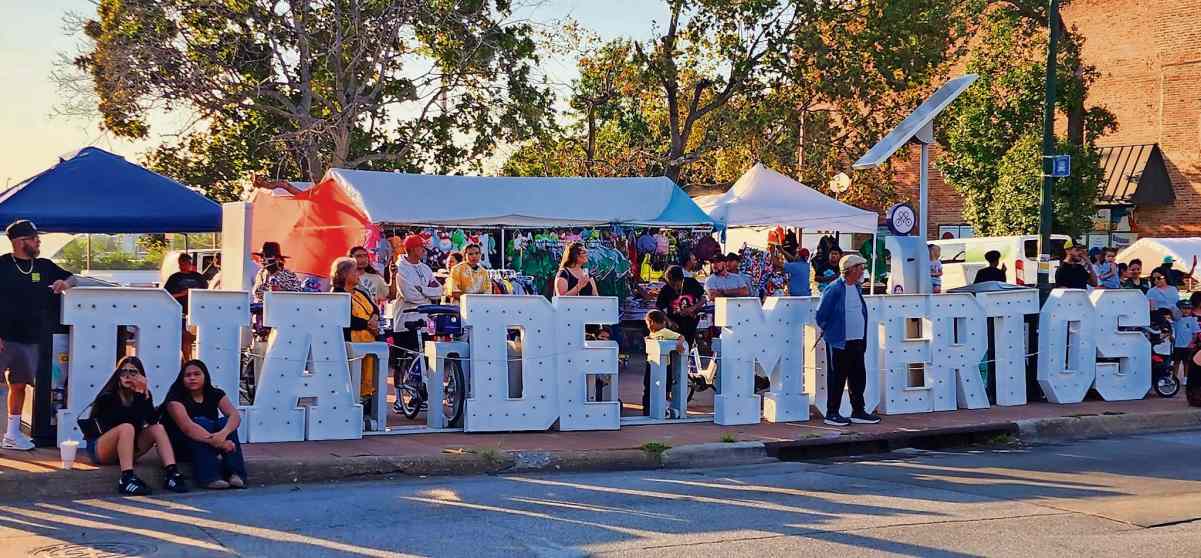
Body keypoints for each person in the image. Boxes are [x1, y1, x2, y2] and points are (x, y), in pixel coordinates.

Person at [1, 220, 76, 451]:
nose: (38, 242)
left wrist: (65, 282)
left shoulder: (44, 265)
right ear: (21, 241)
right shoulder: (3, 264)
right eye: (34, 239)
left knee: (20, 385)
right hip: (3, 338)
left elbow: (73, 277)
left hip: (30, 339)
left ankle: (12, 435)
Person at [85, 356, 188, 495]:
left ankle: (172, 474)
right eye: (123, 372)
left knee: (158, 429)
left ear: (141, 375)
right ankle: (126, 479)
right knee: (127, 427)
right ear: (118, 375)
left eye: (133, 372)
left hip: (128, 448)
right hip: (101, 448)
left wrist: (143, 396)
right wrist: (140, 397)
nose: (127, 376)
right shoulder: (108, 396)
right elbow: (121, 422)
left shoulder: (142, 394)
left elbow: (152, 420)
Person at [815, 254, 881, 427]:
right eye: (860, 267)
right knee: (837, 377)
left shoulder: (857, 288)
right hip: (839, 341)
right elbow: (821, 314)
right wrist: (831, 330)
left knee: (858, 376)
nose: (862, 271)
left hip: (857, 340)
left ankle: (858, 410)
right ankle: (832, 413)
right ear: (850, 269)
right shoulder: (834, 288)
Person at [162, 360, 247, 489]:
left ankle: (235, 474)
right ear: (182, 378)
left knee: (225, 422)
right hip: (181, 445)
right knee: (201, 422)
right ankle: (209, 478)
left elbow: (234, 415)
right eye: (188, 375)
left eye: (197, 374)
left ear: (205, 376)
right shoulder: (175, 398)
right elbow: (188, 428)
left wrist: (223, 434)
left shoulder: (215, 393)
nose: (192, 378)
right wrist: (221, 443)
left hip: (210, 442)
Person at [391, 235, 443, 398]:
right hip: (405, 320)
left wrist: (423, 290)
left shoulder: (426, 268)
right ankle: (399, 398)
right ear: (413, 249)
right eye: (421, 248)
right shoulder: (400, 267)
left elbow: (439, 290)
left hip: (424, 319)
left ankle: (419, 395)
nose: (424, 251)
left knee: (424, 359)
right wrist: (427, 296)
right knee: (401, 361)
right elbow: (408, 294)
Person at [331, 257, 381, 400]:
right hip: (351, 346)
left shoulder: (359, 292)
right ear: (344, 275)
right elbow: (346, 319)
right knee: (353, 382)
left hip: (369, 344)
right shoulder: (338, 294)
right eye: (355, 272)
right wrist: (368, 325)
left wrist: (374, 319)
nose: (358, 274)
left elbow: (375, 309)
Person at [164, 253, 209, 361]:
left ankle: (194, 360)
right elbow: (167, 295)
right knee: (184, 338)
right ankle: (186, 360)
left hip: (197, 311)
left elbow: (207, 292)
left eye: (187, 262)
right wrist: (182, 294)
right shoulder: (174, 278)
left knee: (197, 337)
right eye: (182, 262)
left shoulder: (199, 277)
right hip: (180, 313)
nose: (184, 265)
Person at [641, 310, 685, 416]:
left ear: (652, 322)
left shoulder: (665, 332)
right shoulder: (653, 333)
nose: (648, 326)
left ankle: (660, 409)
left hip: (664, 366)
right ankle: (647, 410)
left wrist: (679, 344)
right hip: (651, 363)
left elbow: (680, 337)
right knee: (648, 386)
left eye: (648, 323)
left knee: (663, 388)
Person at [656, 265, 706, 346]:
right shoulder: (665, 289)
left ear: (682, 279)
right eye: (672, 285)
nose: (675, 288)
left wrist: (693, 308)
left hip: (691, 324)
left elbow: (703, 298)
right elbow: (659, 308)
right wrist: (669, 321)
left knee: (687, 348)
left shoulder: (691, 283)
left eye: (677, 285)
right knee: (675, 349)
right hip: (675, 325)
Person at [1172, 301, 1198, 385]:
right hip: (1177, 345)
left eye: (1188, 308)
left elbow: (1195, 334)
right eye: (1184, 308)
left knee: (1186, 363)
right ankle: (1174, 378)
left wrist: (1191, 343)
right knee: (1176, 362)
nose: (1186, 311)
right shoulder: (1176, 320)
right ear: (1180, 309)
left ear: (1191, 310)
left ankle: (1186, 378)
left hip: (1188, 346)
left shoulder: (1193, 320)